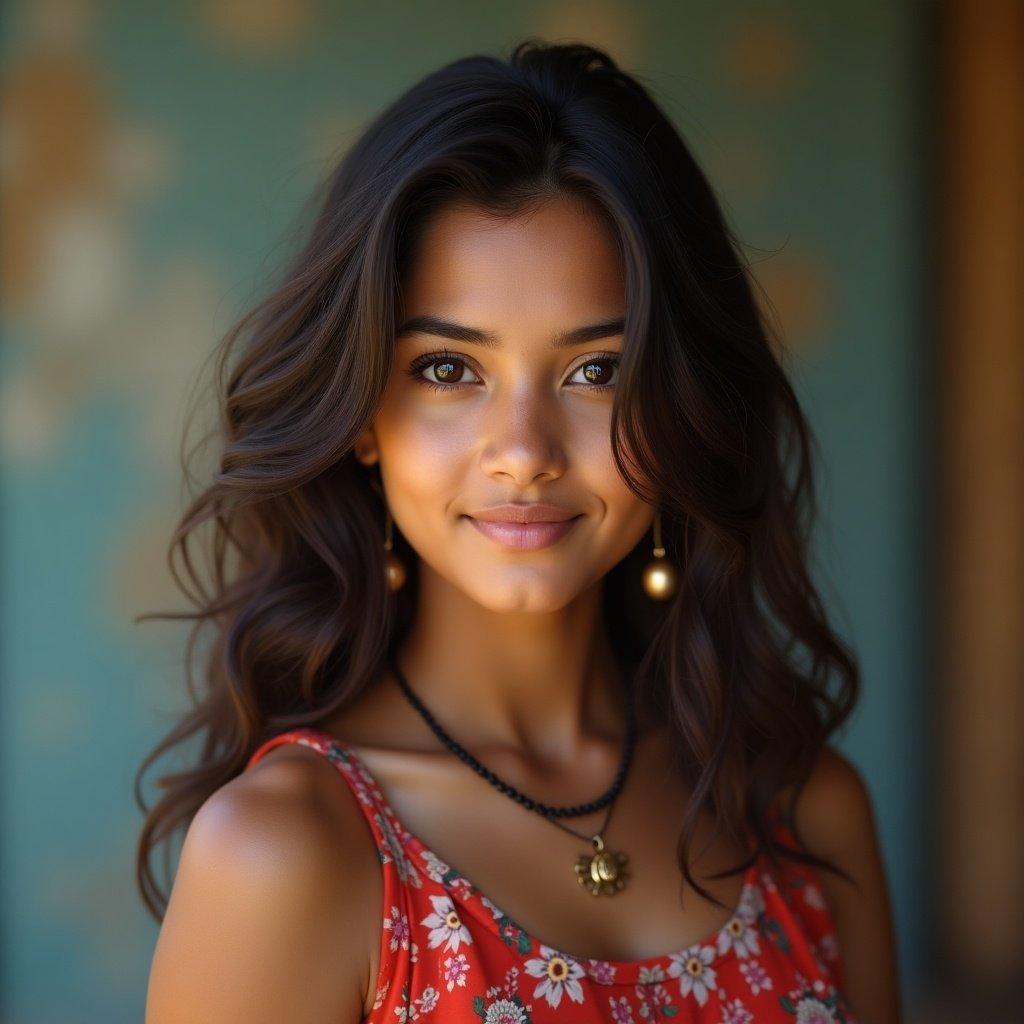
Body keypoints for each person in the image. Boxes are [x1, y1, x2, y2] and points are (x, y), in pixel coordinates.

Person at [139, 39, 902, 1024]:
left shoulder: (803, 808)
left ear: (681, 408)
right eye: (449, 370)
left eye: (598, 371)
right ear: (361, 413)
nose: (523, 451)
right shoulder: (288, 852)